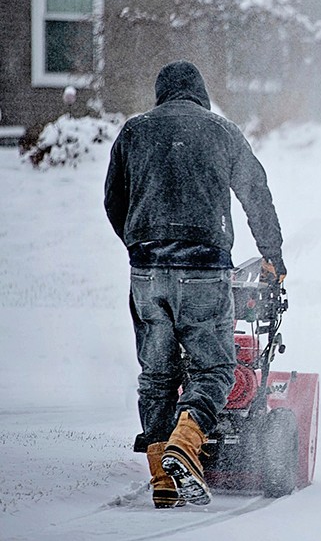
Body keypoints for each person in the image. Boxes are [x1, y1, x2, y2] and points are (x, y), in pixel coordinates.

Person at [104, 60, 286, 508]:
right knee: (214, 370)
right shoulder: (221, 131)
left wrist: (139, 242)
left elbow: (113, 200)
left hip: (147, 270)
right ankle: (185, 447)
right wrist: (273, 256)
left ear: (161, 94)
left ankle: (161, 479)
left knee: (157, 376)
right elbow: (255, 192)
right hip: (204, 268)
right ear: (200, 95)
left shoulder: (134, 131)